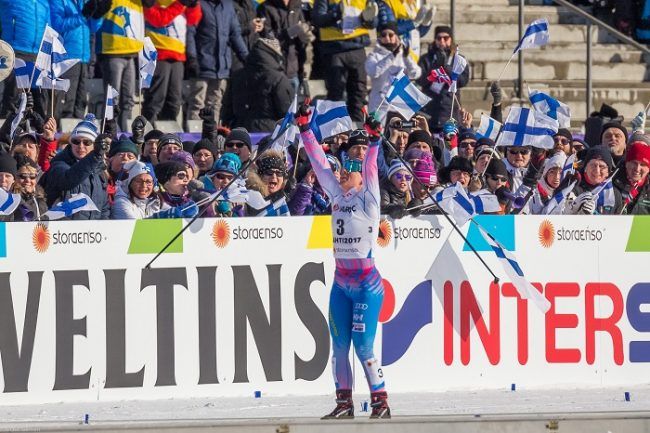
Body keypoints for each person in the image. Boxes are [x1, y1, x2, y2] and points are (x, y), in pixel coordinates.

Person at [296, 105, 391, 419]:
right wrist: (306, 129)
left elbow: (372, 167)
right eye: (341, 170)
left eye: (348, 169)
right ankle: (344, 404)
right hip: (341, 283)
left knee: (363, 346)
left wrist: (375, 142)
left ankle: (380, 402)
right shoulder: (336, 195)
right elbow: (318, 162)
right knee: (338, 346)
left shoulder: (369, 198)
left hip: (366, 285)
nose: (340, 173)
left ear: (360, 177)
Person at [312, 0, 378, 121]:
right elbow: (317, 19)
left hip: (357, 47)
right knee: (335, 93)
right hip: (334, 49)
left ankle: (359, 132)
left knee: (359, 93)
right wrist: (337, 12)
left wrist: (367, 18)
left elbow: (373, 23)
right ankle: (335, 131)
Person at [186, 0, 249, 125]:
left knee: (215, 104)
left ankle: (211, 135)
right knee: (197, 103)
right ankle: (194, 136)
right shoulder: (199, 4)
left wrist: (246, 57)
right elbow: (190, 33)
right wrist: (192, 57)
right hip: (201, 65)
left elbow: (235, 34)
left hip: (221, 67)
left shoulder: (227, 6)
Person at [143, 0, 203, 124]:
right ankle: (148, 134)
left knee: (174, 101)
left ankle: (169, 135)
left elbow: (193, 20)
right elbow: (158, 20)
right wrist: (181, 4)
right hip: (157, 55)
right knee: (155, 99)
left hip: (178, 56)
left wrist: (193, 5)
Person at [41, 116, 111, 219]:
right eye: (76, 141)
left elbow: (104, 208)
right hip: (62, 232)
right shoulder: (59, 164)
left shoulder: (99, 172)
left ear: (94, 145)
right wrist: (95, 156)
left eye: (87, 142)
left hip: (92, 233)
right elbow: (68, 180)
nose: (81, 146)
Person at [93, 0, 146, 131]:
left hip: (131, 53)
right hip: (111, 52)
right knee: (112, 98)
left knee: (128, 99)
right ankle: (110, 131)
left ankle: (125, 132)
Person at [0, 0, 51, 119]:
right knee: (13, 95)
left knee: (39, 98)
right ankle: (6, 130)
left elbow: (49, 26)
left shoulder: (45, 3)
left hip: (37, 53)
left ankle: (38, 130)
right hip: (14, 49)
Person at [417, 25, 469, 130]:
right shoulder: (426, 59)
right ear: (435, 40)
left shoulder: (458, 59)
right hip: (430, 110)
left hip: (450, 109)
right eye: (439, 38)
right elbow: (420, 80)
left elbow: (463, 81)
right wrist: (435, 68)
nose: (442, 41)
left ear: (451, 40)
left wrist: (447, 69)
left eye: (445, 38)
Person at [239, 34, 294, 132]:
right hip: (270, 132)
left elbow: (227, 110)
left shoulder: (238, 75)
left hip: (240, 134)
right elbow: (286, 112)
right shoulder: (279, 78)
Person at [365, 21, 421, 112]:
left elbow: (415, 74)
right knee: (378, 126)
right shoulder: (374, 56)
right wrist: (391, 56)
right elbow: (373, 72)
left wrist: (407, 57)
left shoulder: (403, 55)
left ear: (396, 36)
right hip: (378, 105)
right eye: (383, 35)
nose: (387, 38)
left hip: (398, 104)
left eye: (390, 35)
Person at [256, 0, 310, 94]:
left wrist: (305, 35)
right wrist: (287, 33)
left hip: (294, 68)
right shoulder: (266, 7)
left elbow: (303, 41)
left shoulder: (297, 6)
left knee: (295, 105)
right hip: (274, 69)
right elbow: (266, 37)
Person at [51, 0, 93, 119]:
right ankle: (61, 132)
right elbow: (57, 24)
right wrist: (82, 16)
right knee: (67, 101)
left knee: (81, 101)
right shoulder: (60, 1)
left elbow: (93, 28)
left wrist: (97, 16)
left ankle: (78, 133)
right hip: (68, 57)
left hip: (84, 57)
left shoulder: (83, 2)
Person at [565, 146, 622, 215]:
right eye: (593, 165)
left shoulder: (614, 194)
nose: (597, 170)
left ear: (608, 172)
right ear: (585, 168)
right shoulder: (573, 188)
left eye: (602, 167)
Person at [614, 140, 650, 214]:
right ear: (627, 163)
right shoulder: (612, 182)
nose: (637, 169)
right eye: (634, 163)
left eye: (643, 164)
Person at [11, 155, 48, 221]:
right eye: (23, 176)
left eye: (32, 176)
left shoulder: (40, 200)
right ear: (14, 178)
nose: (28, 180)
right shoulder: (10, 201)